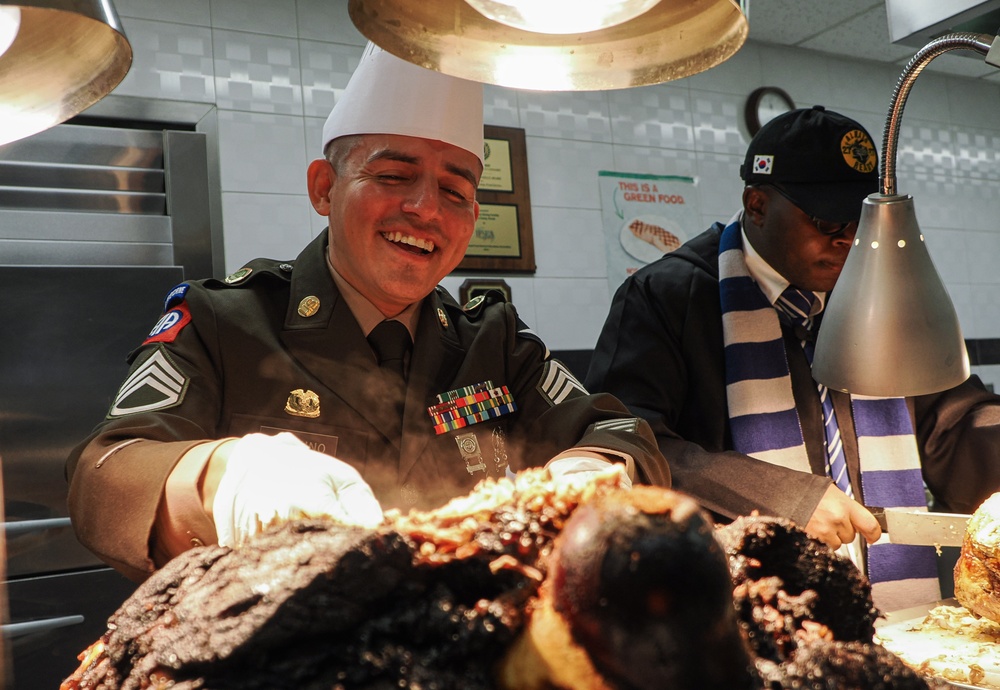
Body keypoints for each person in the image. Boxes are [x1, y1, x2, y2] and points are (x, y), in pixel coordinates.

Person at [66, 43, 669, 583]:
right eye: (393, 175)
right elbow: (104, 472)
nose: (425, 208)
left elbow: (619, 431)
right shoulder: (225, 323)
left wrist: (594, 473)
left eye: (456, 191)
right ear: (325, 188)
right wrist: (222, 480)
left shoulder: (494, 340)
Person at [586, 105, 1000, 611]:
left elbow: (953, 420)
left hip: (896, 611)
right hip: (735, 610)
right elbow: (624, 444)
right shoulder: (665, 298)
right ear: (756, 204)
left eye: (859, 221)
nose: (847, 240)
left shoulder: (878, 292)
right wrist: (779, 499)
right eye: (827, 221)